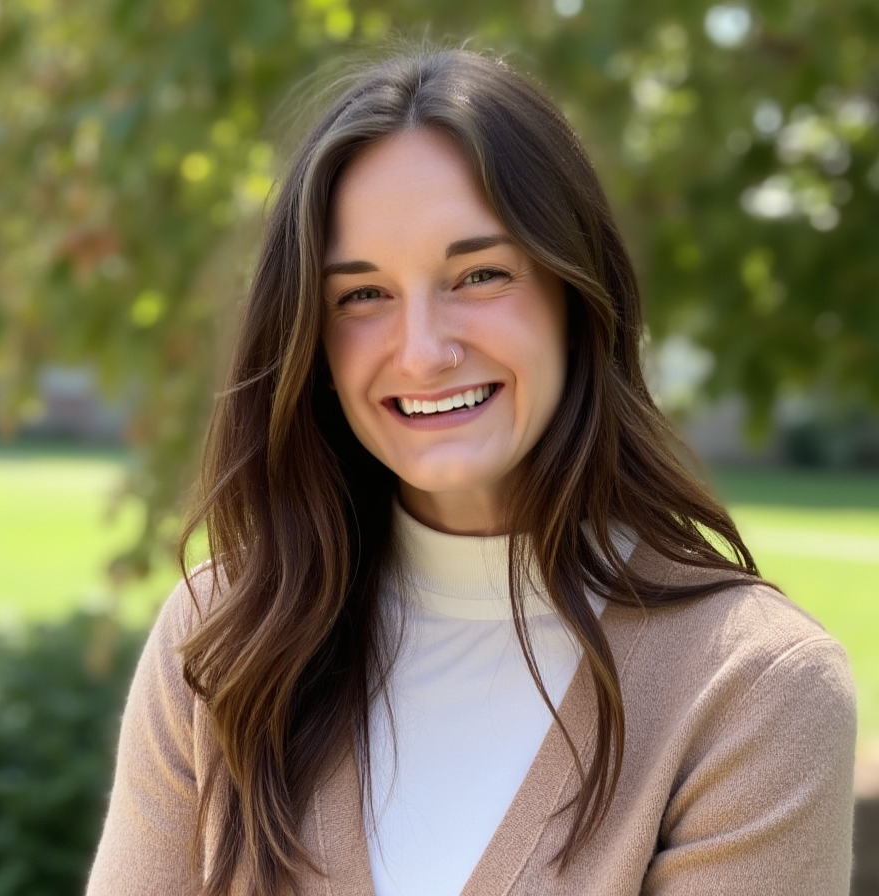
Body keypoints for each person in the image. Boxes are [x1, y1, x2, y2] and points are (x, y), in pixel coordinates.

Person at [86, 49, 857, 896]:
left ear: (576, 293)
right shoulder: (225, 640)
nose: (422, 352)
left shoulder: (752, 689)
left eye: (480, 275)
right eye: (361, 295)